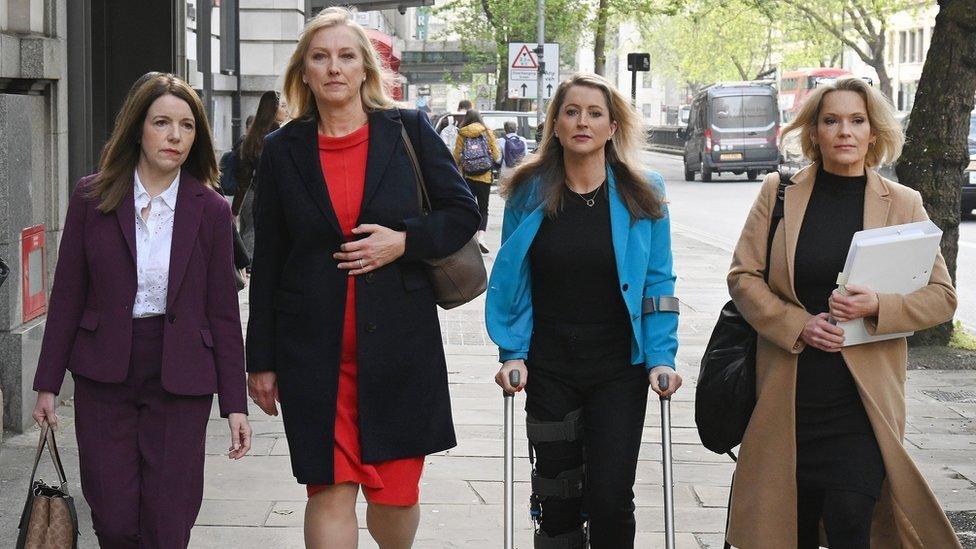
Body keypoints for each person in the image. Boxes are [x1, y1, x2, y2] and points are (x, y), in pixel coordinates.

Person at [244, 8, 480, 549]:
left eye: (346, 56)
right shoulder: (283, 150)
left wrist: (404, 241)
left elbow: (462, 212)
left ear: (365, 70)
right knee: (326, 492)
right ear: (303, 71)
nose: (333, 68)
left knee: (394, 500)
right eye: (320, 57)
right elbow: (270, 259)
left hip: (399, 349)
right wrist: (261, 360)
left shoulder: (408, 131)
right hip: (313, 356)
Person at [726, 77, 960, 548]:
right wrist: (798, 325)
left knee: (852, 520)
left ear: (874, 133)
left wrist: (880, 306)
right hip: (790, 394)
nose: (844, 132)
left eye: (857, 121)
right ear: (813, 132)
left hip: (864, 402)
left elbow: (942, 297)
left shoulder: (904, 203)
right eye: (831, 121)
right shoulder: (779, 193)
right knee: (792, 526)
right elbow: (743, 277)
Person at [30, 72, 251, 548]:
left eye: (187, 126)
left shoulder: (211, 210)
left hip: (181, 376)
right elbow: (67, 293)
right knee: (112, 519)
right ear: (138, 128)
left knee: (169, 523)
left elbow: (222, 313)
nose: (175, 136)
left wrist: (234, 403)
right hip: (105, 373)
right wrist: (48, 382)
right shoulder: (93, 198)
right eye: (162, 122)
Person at [485, 73, 681, 549]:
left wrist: (662, 356)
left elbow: (658, 283)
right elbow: (515, 278)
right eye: (571, 112)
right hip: (550, 366)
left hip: (619, 366)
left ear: (613, 126)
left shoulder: (643, 191)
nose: (582, 122)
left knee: (612, 496)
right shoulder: (529, 189)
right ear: (555, 123)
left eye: (595, 113)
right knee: (558, 497)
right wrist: (512, 351)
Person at [232, 90, 286, 258]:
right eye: (283, 106)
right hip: (267, 197)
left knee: (246, 233)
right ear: (274, 109)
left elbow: (244, 178)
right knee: (254, 238)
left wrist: (235, 209)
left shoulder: (252, 135)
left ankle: (243, 269)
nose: (286, 110)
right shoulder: (278, 136)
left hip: (250, 195)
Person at [452, 109, 501, 253]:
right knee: (483, 208)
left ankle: (467, 238)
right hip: (485, 177)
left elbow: (456, 156)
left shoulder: (462, 133)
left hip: (468, 177)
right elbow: (497, 155)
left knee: (469, 207)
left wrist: (463, 163)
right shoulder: (486, 131)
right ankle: (481, 237)